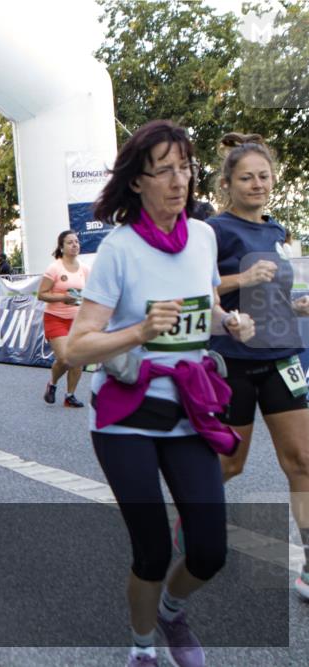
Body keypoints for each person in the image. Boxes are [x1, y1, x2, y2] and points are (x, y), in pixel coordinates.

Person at [64, 120, 255, 667]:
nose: (178, 181)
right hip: (127, 415)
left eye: (185, 168)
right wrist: (140, 333)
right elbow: (75, 350)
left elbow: (204, 311)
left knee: (210, 551)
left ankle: (172, 610)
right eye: (164, 170)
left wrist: (230, 322)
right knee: (151, 550)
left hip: (189, 409)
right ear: (138, 182)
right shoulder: (119, 250)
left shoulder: (204, 236)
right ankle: (143, 647)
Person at [205, 132, 309, 601]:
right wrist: (242, 279)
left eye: (264, 176)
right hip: (234, 361)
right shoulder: (215, 230)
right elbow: (200, 286)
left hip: (282, 354)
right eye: (246, 177)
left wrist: (296, 304)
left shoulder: (275, 230)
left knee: (304, 461)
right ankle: (196, 524)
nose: (257, 184)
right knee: (229, 465)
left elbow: (273, 291)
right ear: (227, 183)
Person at [38, 230, 90, 408]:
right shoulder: (55, 268)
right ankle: (52, 383)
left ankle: (70, 395)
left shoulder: (84, 269)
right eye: (70, 242)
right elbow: (41, 295)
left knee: (77, 359)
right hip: (55, 318)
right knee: (65, 358)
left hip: (77, 320)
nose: (75, 245)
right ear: (62, 247)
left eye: (76, 241)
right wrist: (63, 298)